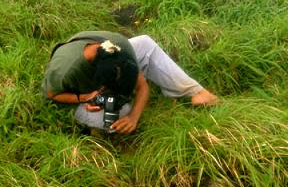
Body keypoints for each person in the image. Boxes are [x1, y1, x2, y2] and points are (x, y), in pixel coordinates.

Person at [42, 31, 218, 134]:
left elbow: (142, 86)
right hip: (75, 91)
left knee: (145, 43)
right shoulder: (65, 71)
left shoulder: (120, 48)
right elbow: (52, 95)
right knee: (117, 115)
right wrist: (85, 97)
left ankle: (196, 91)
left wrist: (135, 117)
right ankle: (93, 127)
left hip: (105, 65)